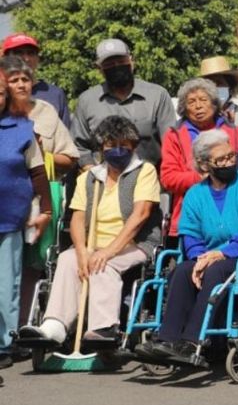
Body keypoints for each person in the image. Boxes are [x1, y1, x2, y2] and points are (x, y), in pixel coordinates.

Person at [18, 116, 161, 345]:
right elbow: (77, 218)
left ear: (133, 146)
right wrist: (82, 250)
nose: (117, 150)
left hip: (133, 244)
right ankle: (54, 325)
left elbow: (140, 215)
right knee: (67, 259)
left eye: (123, 145)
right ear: (101, 148)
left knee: (102, 264)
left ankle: (103, 327)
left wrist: (108, 251)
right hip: (94, 243)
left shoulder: (144, 171)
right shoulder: (90, 177)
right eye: (110, 145)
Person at [137, 130, 238, 363]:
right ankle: (167, 339)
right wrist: (200, 258)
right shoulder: (195, 194)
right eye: (221, 160)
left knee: (215, 270)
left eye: (231, 156)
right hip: (208, 256)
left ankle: (192, 342)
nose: (229, 162)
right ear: (204, 164)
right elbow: (190, 234)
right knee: (181, 271)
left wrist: (222, 253)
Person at [0, 72, 52, 368]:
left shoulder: (22, 129)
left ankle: (4, 345)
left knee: (6, 285)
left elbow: (37, 172)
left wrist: (46, 210)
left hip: (10, 219)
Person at [72, 38, 177, 168]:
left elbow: (171, 143)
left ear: (132, 61)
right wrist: (92, 173)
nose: (116, 67)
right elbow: (79, 146)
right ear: (99, 69)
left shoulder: (157, 95)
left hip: (150, 179)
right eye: (109, 64)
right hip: (103, 181)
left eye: (121, 61)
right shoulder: (87, 101)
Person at [160, 78, 238, 238]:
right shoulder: (174, 135)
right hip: (190, 212)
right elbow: (168, 178)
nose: (198, 106)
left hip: (232, 209)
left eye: (203, 100)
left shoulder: (235, 133)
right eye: (191, 102)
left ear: (213, 103)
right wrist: (202, 177)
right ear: (184, 108)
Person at [0, 56, 77, 173]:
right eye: (14, 81)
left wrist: (41, 154)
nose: (21, 85)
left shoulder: (45, 110)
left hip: (42, 186)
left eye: (25, 80)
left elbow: (70, 159)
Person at [2, 32, 71, 129]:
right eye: (19, 52)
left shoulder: (55, 94)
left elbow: (65, 138)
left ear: (38, 58)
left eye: (31, 53)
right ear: (5, 58)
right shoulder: (2, 93)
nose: (26, 58)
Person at [199, 56, 238, 128]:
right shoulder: (195, 117)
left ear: (230, 86)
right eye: (209, 83)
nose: (214, 88)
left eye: (219, 83)